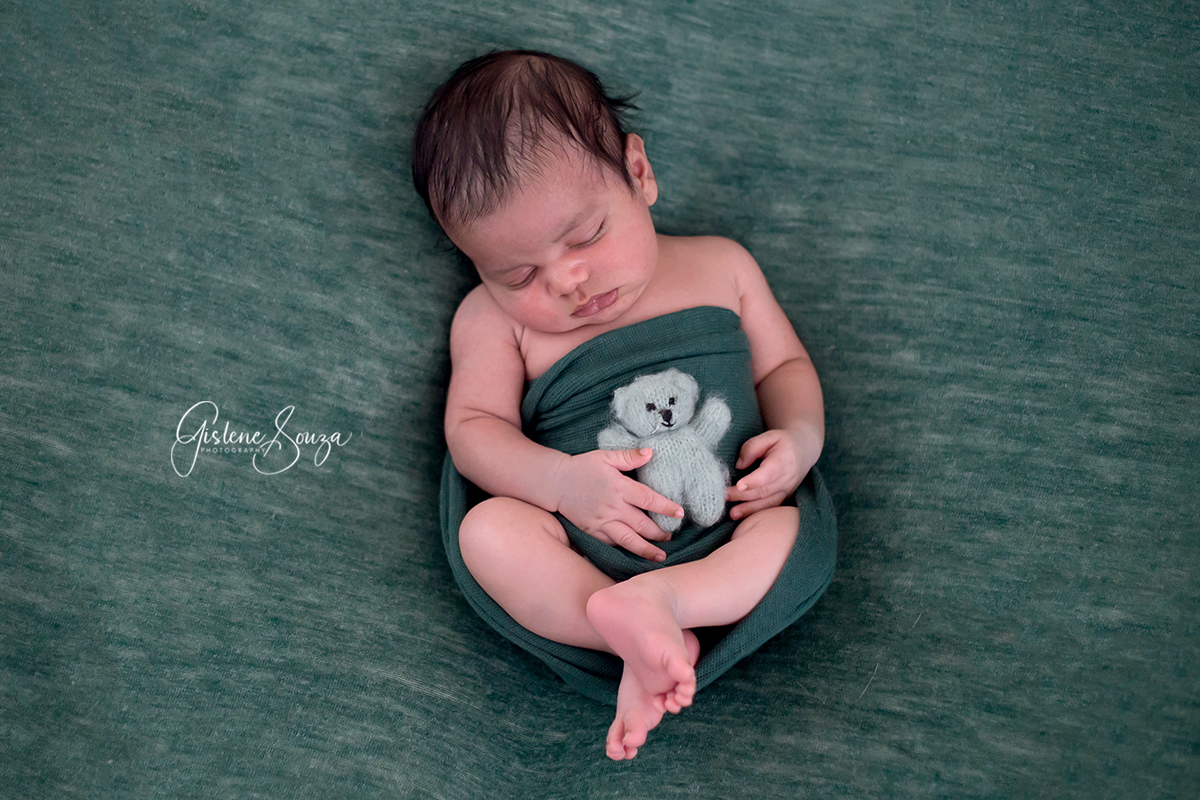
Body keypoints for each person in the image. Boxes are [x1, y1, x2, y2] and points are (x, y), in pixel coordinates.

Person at [412, 50, 829, 761]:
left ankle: (667, 608)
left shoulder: (721, 265)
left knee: (794, 538)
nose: (568, 281)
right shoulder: (492, 321)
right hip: (584, 555)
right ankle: (623, 624)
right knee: (488, 534)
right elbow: (473, 430)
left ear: (638, 173)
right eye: (517, 273)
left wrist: (799, 437)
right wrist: (558, 483)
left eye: (586, 236)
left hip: (725, 535)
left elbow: (786, 365)